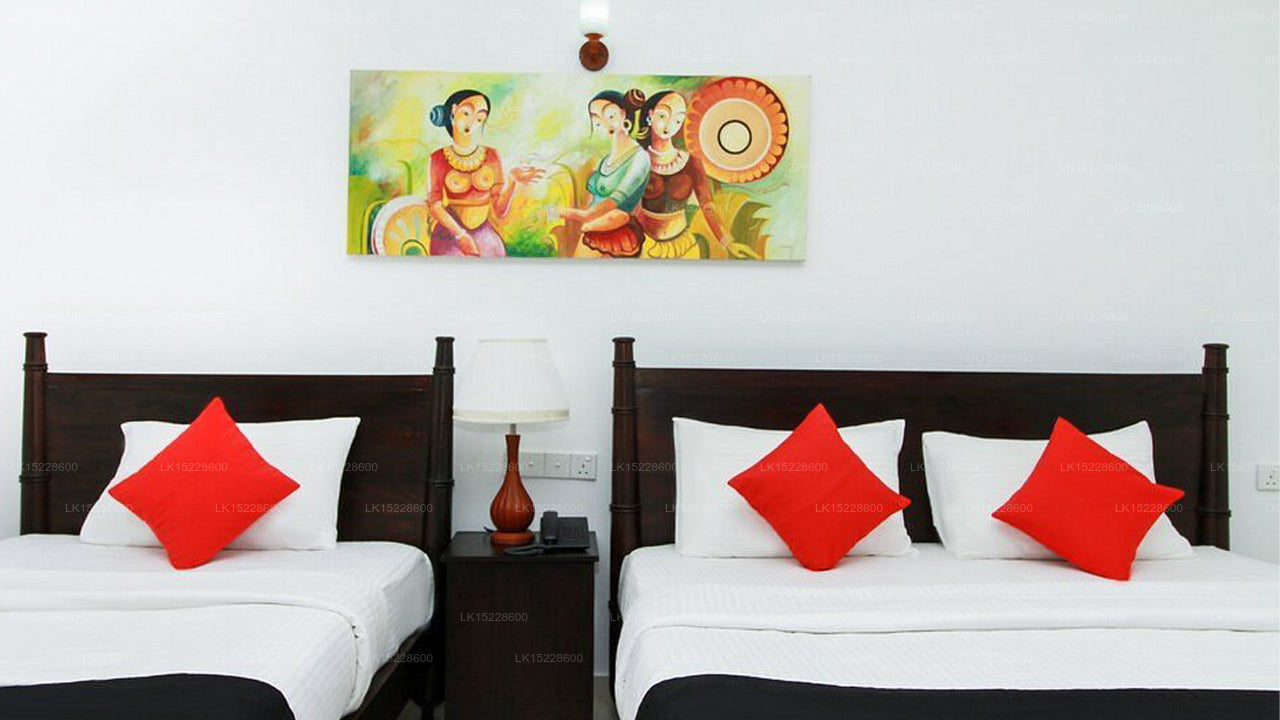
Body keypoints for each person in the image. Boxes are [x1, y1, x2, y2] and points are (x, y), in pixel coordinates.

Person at [426, 89, 542, 257]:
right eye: (466, 113)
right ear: (453, 111)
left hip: (484, 235)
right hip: (450, 235)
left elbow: (499, 211)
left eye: (479, 118)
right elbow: (435, 206)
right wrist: (461, 235)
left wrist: (512, 180)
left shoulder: (491, 155)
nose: (472, 122)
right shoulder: (438, 158)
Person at [558, 89, 651, 258]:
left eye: (610, 116)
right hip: (590, 228)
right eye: (597, 120)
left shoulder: (640, 158)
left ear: (625, 115)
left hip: (615, 230)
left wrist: (576, 214)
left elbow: (615, 200)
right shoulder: (605, 160)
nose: (604, 124)